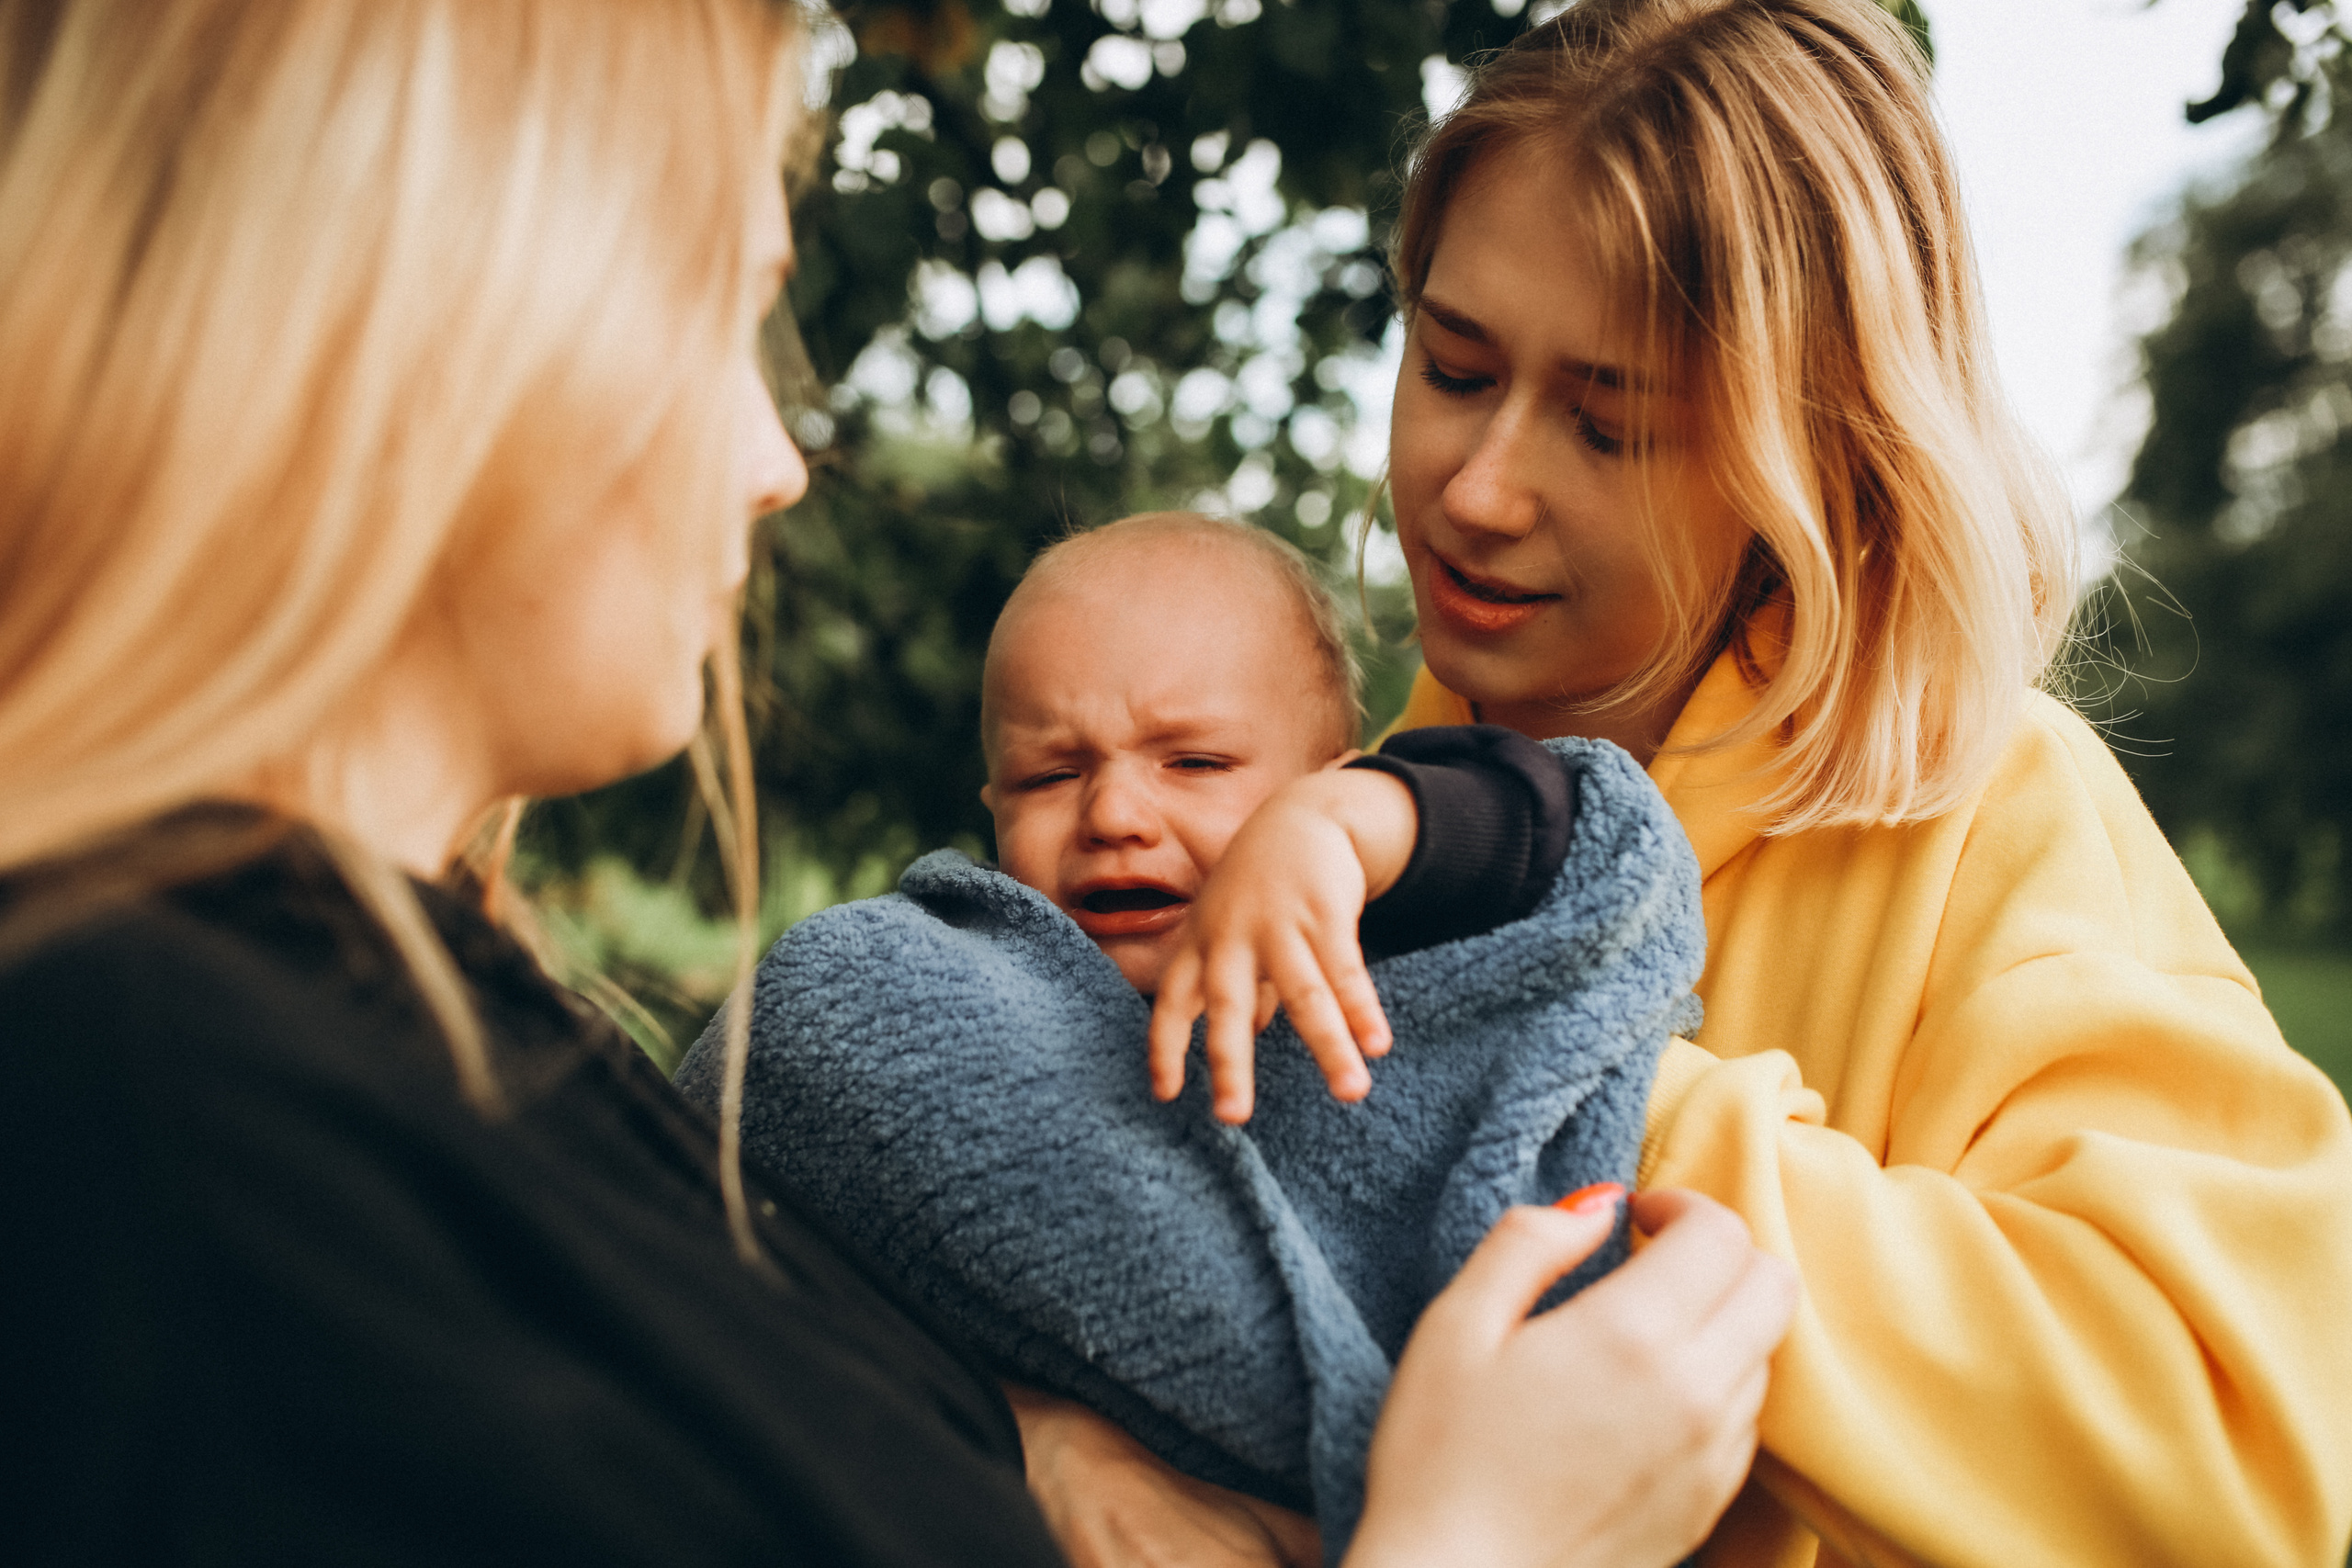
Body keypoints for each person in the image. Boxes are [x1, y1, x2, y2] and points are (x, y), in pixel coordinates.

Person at [0, 4, 1798, 1567]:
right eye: (735, 314)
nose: (774, 460)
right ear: (460, 335)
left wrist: (1030, 1426)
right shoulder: (154, 1115)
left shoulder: (429, 1030)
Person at [1041, 2, 2352, 1564]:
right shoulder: (1350, 815)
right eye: (1453, 366)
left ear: (1822, 452)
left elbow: (2239, 1457)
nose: (1477, 486)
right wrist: (1055, 1440)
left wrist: (1552, 1084)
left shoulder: (1993, 812)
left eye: (1612, 424)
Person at [679, 509, 1703, 1553]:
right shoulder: (950, 1018)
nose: (1114, 811)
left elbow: (1571, 833)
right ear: (990, 810)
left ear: (1332, 777)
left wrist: (1349, 833)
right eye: (1049, 775)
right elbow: (758, 1272)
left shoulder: (1382, 928)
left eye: (1197, 763)